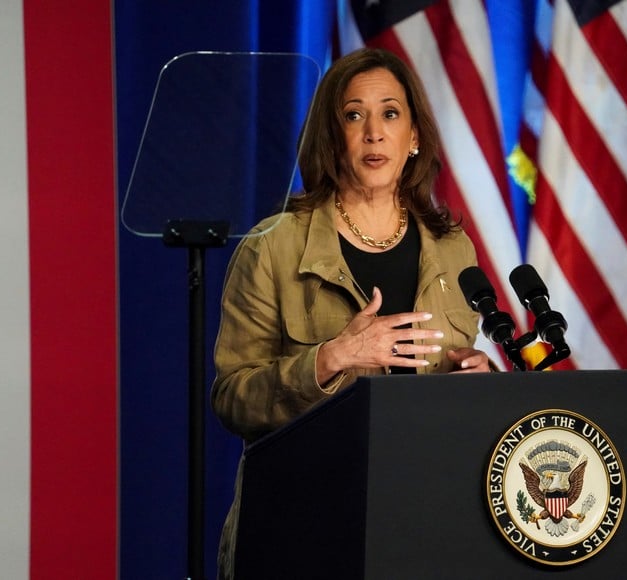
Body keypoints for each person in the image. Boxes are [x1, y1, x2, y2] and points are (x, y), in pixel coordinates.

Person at [210, 47, 493, 578]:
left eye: (390, 113)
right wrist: (329, 359)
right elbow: (232, 400)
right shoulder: (272, 247)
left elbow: (455, 379)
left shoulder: (452, 249)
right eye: (353, 114)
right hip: (305, 525)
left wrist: (476, 379)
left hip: (425, 521)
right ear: (330, 135)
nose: (373, 132)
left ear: (414, 137)